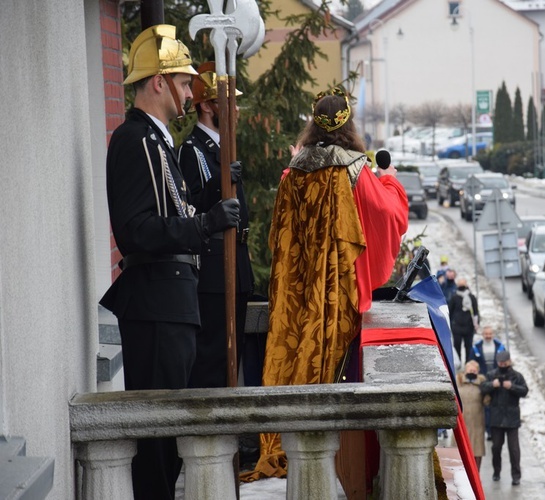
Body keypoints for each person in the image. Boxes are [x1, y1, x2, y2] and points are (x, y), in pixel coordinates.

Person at [99, 25, 241, 500]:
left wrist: (205, 217)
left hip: (173, 301)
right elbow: (135, 230)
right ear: (158, 81)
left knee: (169, 443)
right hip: (157, 302)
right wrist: (204, 225)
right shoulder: (134, 139)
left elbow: (170, 214)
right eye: (183, 82)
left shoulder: (156, 142)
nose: (189, 93)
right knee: (158, 447)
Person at [246, 87, 408, 480]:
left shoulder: (295, 169)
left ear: (312, 124)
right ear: (349, 125)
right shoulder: (354, 168)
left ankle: (283, 437)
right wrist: (389, 181)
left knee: (292, 349)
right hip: (334, 291)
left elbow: (280, 234)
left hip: (296, 290)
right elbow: (388, 217)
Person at [177, 62, 257, 389]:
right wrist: (220, 181)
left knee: (232, 361)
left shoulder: (223, 146)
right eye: (229, 103)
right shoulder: (192, 150)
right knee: (212, 362)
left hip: (235, 267)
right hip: (212, 273)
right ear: (209, 106)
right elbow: (190, 206)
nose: (236, 110)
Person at [481, 350, 529, 485]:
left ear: (509, 361)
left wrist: (511, 386)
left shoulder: (516, 376)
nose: (502, 365)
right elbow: (483, 388)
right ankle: (496, 471)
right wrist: (492, 385)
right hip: (497, 419)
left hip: (512, 419)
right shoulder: (492, 375)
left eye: (505, 362)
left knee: (514, 449)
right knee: (496, 448)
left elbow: (524, 391)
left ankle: (516, 476)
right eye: (500, 363)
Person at [471, 326, 506, 437]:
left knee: (496, 404)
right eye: (486, 334)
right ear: (482, 335)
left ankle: (496, 427)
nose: (488, 336)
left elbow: (505, 363)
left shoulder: (500, 347)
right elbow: (471, 362)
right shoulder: (476, 348)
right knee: (486, 405)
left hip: (496, 380)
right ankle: (488, 429)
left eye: (490, 334)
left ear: (493, 334)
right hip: (483, 381)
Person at [455, 360, 487, 470]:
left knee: (476, 452)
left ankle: (475, 479)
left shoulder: (482, 384)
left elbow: (487, 402)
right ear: (465, 371)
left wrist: (486, 391)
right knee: (459, 453)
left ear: (478, 372)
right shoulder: (458, 381)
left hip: (477, 424)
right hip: (461, 423)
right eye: (470, 370)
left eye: (474, 370)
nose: (472, 372)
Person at [448, 278, 479, 364]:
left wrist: (476, 324)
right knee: (457, 347)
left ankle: (468, 364)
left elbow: (476, 311)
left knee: (468, 347)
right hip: (457, 327)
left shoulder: (472, 297)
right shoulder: (454, 298)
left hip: (469, 326)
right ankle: (458, 364)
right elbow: (450, 311)